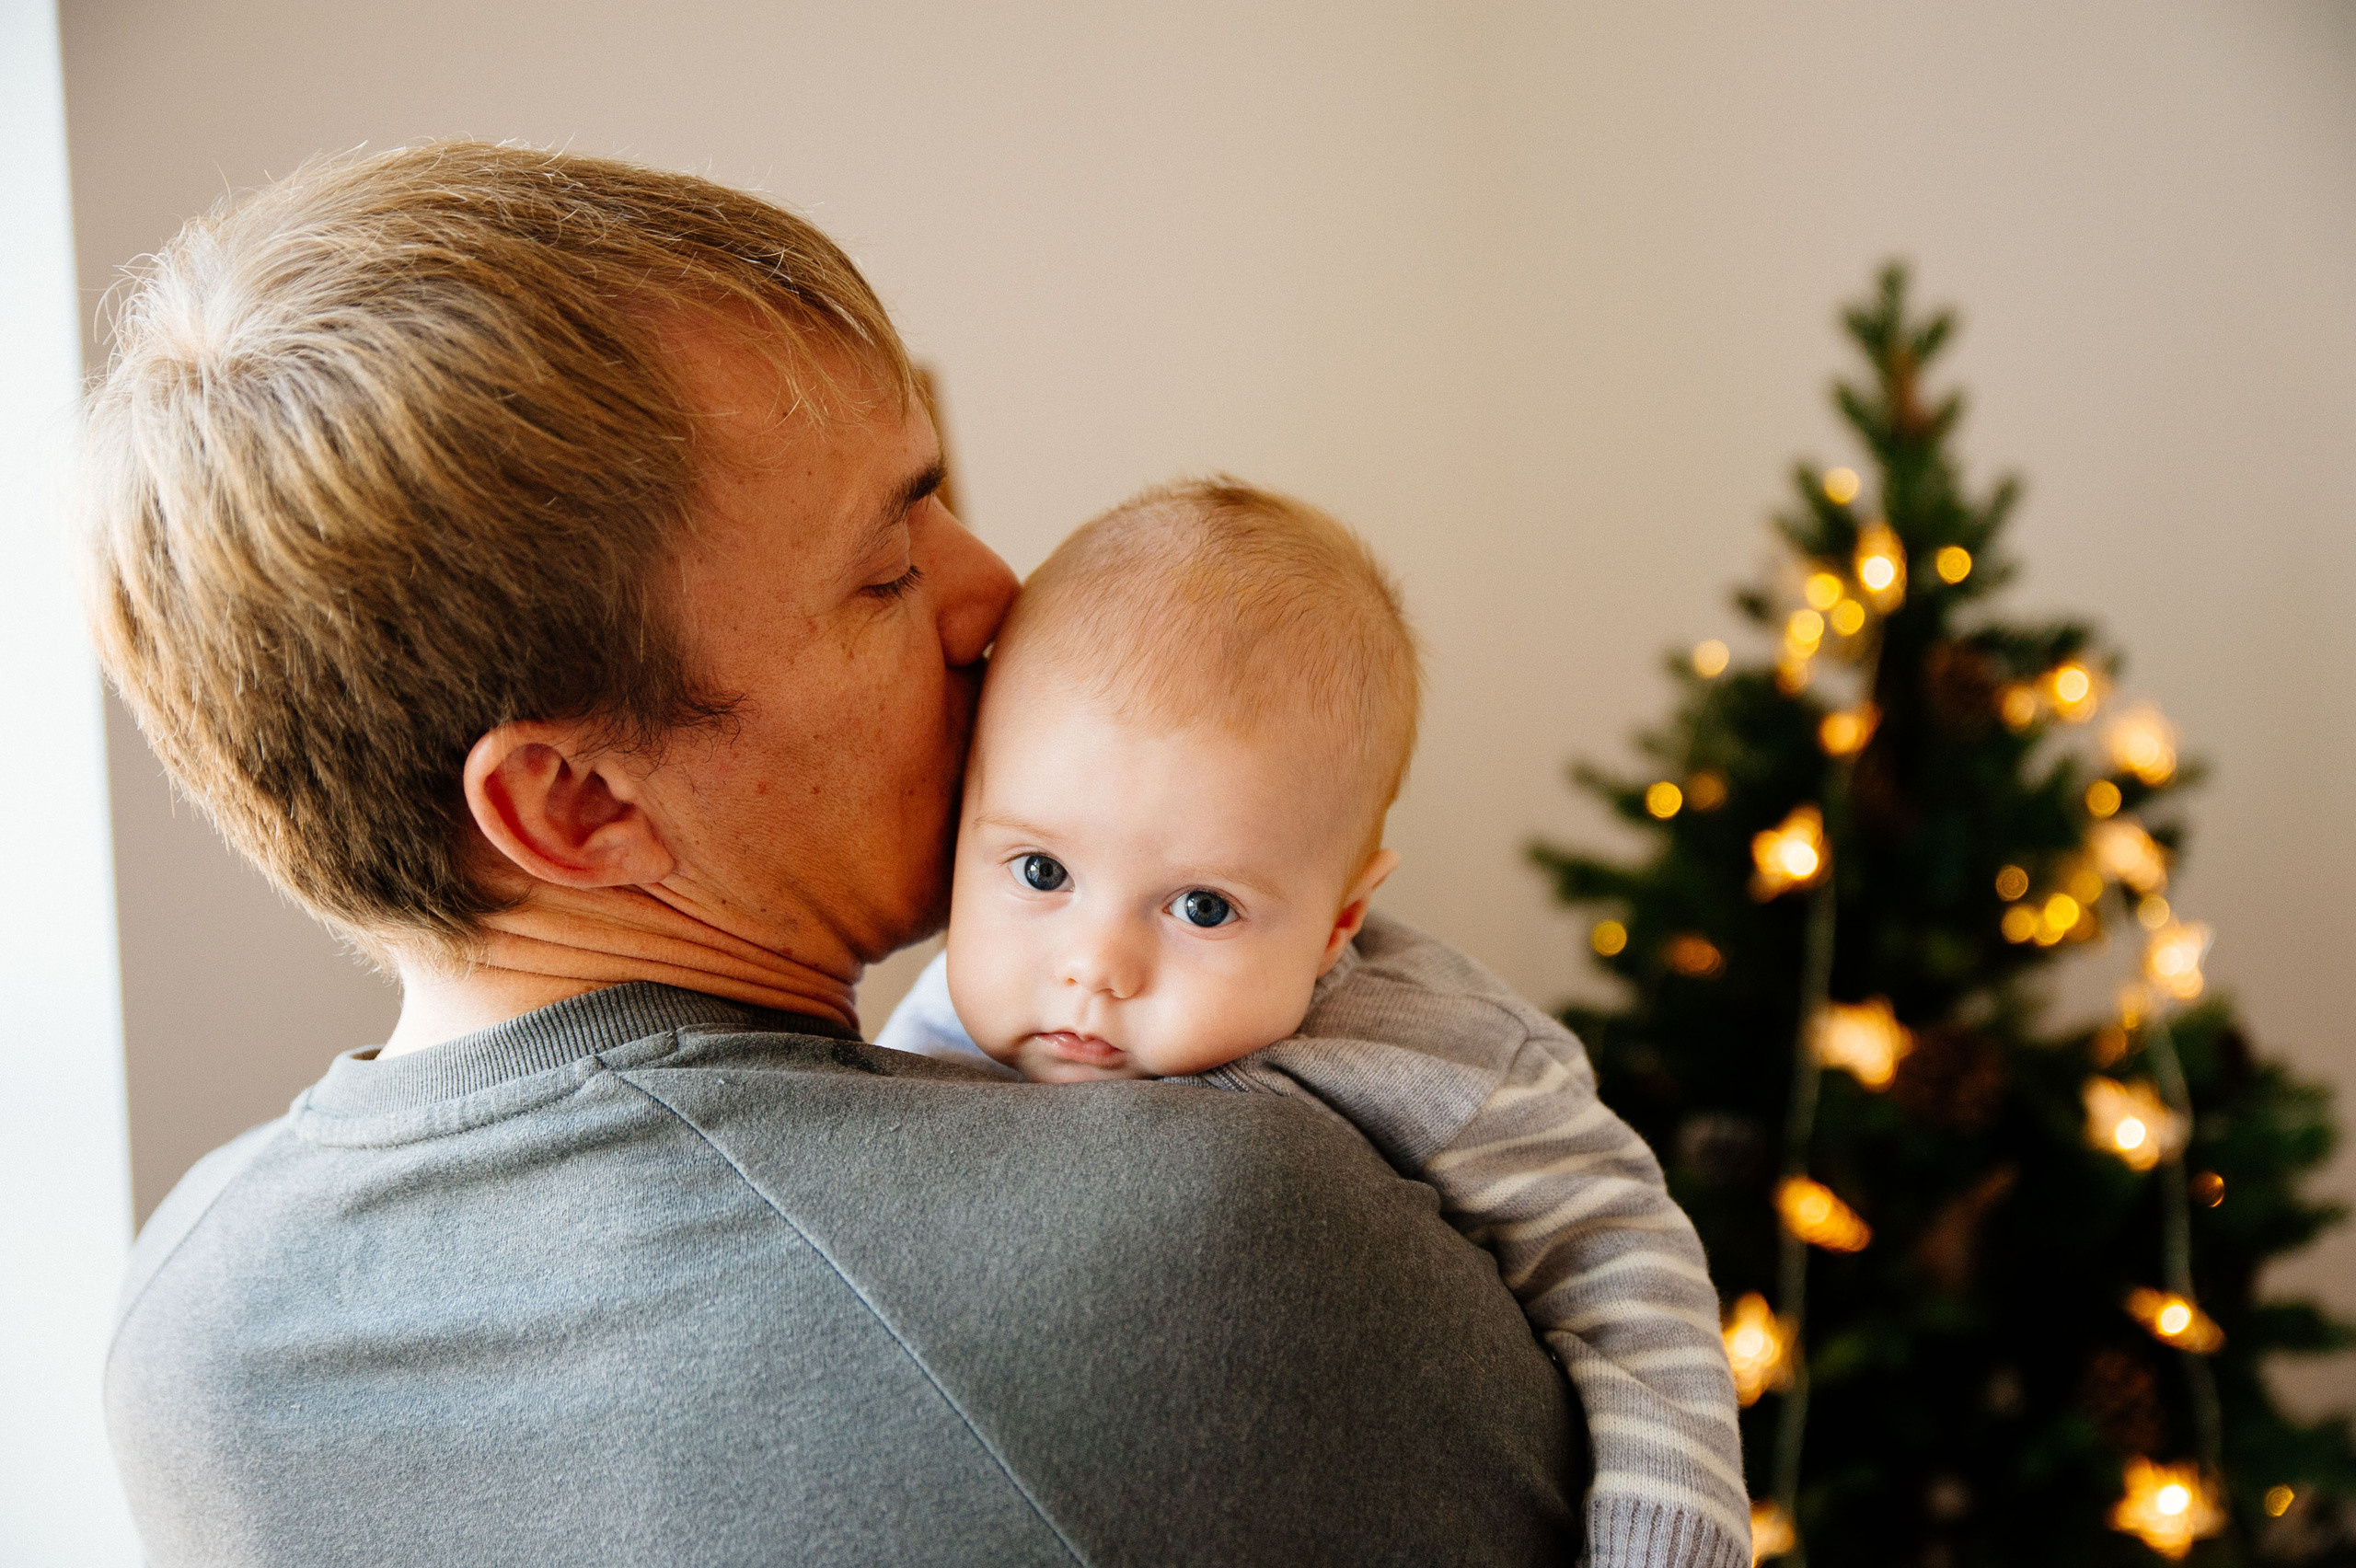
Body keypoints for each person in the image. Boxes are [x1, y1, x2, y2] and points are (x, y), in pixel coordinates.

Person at [87, 142, 1583, 1566]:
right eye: (887, 564)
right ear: (576, 804)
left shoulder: (188, 1315)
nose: (993, 591)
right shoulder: (1206, 1238)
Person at [879, 480, 1749, 1568]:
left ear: (1340, 919)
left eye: (1202, 908)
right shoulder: (931, 1037)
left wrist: (1666, 1541)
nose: (1092, 967)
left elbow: (1623, 1271)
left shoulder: (1441, 1056)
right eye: (1041, 871)